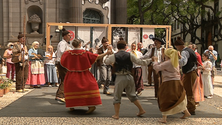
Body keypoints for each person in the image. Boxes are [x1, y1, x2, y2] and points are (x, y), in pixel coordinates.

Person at [60, 39, 112, 113]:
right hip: (84, 74)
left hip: (71, 75)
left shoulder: (68, 53)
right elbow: (97, 57)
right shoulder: (85, 53)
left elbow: (62, 62)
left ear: (73, 45)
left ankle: (71, 106)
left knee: (71, 89)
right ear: (80, 44)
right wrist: (106, 53)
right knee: (88, 89)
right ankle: (91, 105)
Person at [105, 40, 151, 119]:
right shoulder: (130, 55)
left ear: (117, 47)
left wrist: (108, 54)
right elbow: (139, 62)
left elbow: (106, 62)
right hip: (129, 76)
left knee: (117, 96)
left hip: (120, 76)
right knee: (132, 95)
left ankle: (116, 114)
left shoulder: (115, 56)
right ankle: (141, 109)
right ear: (125, 47)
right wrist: (150, 60)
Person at [153, 48, 191, 123]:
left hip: (168, 83)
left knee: (164, 98)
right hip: (177, 82)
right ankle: (186, 112)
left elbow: (156, 67)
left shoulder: (168, 62)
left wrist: (155, 61)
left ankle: (164, 118)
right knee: (178, 97)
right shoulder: (175, 61)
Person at [174, 37, 197, 115]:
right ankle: (188, 107)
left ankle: (191, 108)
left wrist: (175, 61)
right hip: (192, 71)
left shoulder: (184, 52)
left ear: (179, 46)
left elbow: (183, 62)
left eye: (176, 47)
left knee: (188, 90)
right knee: (188, 90)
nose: (177, 49)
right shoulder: (189, 50)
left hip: (190, 72)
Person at [55, 29, 72, 103]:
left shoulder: (66, 44)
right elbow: (62, 52)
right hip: (62, 63)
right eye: (68, 35)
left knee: (65, 79)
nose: (70, 37)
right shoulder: (62, 43)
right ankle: (60, 95)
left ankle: (62, 94)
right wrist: (70, 52)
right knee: (65, 79)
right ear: (64, 36)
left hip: (64, 62)